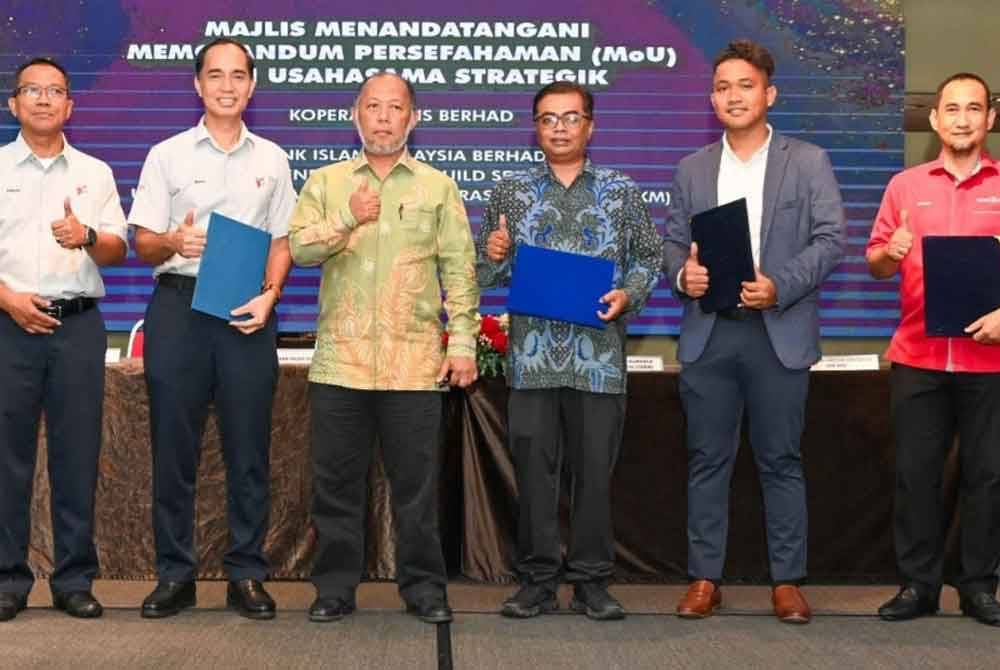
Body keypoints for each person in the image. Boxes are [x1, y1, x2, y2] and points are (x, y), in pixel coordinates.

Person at [663, 39, 846, 624]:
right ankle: (703, 578)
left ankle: (788, 582)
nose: (732, 95)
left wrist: (781, 284)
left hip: (778, 330)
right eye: (722, 86)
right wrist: (680, 274)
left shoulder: (808, 160)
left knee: (781, 460)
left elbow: (831, 240)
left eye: (744, 85)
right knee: (706, 459)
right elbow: (671, 243)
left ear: (769, 94)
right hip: (711, 333)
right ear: (711, 98)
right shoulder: (691, 168)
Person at [288, 72, 479, 624]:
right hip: (341, 363)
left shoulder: (437, 187)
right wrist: (350, 215)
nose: (383, 117)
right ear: (356, 115)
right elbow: (299, 248)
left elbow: (459, 270)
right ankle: (334, 588)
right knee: (336, 487)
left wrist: (462, 340)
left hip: (413, 364)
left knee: (417, 489)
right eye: (373, 106)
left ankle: (423, 588)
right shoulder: (326, 182)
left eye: (395, 108)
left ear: (412, 119)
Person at [477, 81, 662, 621]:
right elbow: (489, 271)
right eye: (547, 118)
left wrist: (629, 293)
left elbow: (649, 260)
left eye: (570, 117)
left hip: (598, 362)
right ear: (535, 129)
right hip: (533, 361)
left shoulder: (622, 191)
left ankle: (591, 582)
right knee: (534, 476)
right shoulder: (510, 192)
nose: (559, 127)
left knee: (594, 476)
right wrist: (492, 253)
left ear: (591, 125)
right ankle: (536, 582)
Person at [129, 38, 296, 620]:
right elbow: (142, 241)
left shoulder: (273, 159)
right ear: (197, 85)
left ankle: (246, 573)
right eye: (215, 75)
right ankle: (174, 576)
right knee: (174, 452)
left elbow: (282, 239)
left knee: (249, 450)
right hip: (178, 308)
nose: (227, 85)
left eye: (238, 75)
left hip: (246, 315)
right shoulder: (166, 154)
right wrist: (172, 241)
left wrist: (272, 295)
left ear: (252, 86)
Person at [867, 72, 1000, 627]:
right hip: (918, 356)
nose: (963, 118)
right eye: (952, 108)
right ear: (935, 119)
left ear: (990, 118)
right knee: (915, 475)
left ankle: (979, 587)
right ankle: (917, 586)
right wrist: (890, 253)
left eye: (974, 108)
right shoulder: (905, 184)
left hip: (990, 361)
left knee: (988, 475)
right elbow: (875, 263)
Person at [0, 57, 128, 621]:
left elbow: (118, 248)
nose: (44, 100)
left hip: (77, 327)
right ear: (14, 104)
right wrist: (7, 299)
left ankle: (74, 580)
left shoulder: (95, 172)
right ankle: (8, 579)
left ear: (71, 105)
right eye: (33, 90)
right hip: (9, 323)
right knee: (8, 461)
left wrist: (88, 235)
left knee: (78, 458)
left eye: (56, 91)